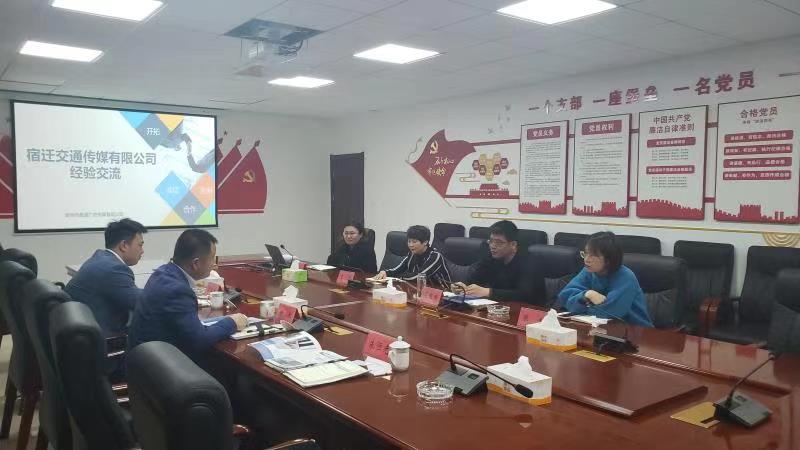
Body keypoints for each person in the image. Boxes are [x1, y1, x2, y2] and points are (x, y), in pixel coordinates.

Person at [128, 229, 248, 362]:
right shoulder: (177, 290)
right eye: (212, 258)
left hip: (146, 357)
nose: (214, 264)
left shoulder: (163, 272)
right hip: (157, 366)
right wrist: (232, 322)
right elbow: (199, 340)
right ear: (196, 263)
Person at [65, 218, 147, 336]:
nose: (142, 251)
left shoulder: (101, 257)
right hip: (102, 338)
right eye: (140, 245)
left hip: (77, 331)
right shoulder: (114, 269)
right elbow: (142, 303)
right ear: (124, 245)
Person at [557, 231, 654, 327]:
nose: (586, 259)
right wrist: (586, 295)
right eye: (585, 253)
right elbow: (565, 297)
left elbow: (609, 313)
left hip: (636, 330)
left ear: (608, 259)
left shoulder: (626, 277)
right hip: (597, 328)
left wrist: (578, 305)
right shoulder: (588, 271)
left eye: (593, 255)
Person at [452, 220, 533, 302]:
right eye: (491, 241)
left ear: (513, 244)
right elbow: (475, 279)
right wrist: (463, 287)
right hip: (496, 305)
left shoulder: (529, 261)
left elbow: (525, 295)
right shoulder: (491, 255)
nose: (493, 246)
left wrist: (489, 292)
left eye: (499, 242)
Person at [374, 225, 451, 288]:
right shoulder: (412, 254)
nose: (410, 245)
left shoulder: (435, 256)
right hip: (419, 290)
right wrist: (385, 272)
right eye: (409, 241)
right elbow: (397, 269)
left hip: (442, 293)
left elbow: (418, 277)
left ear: (425, 242)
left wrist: (399, 278)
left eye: (414, 242)